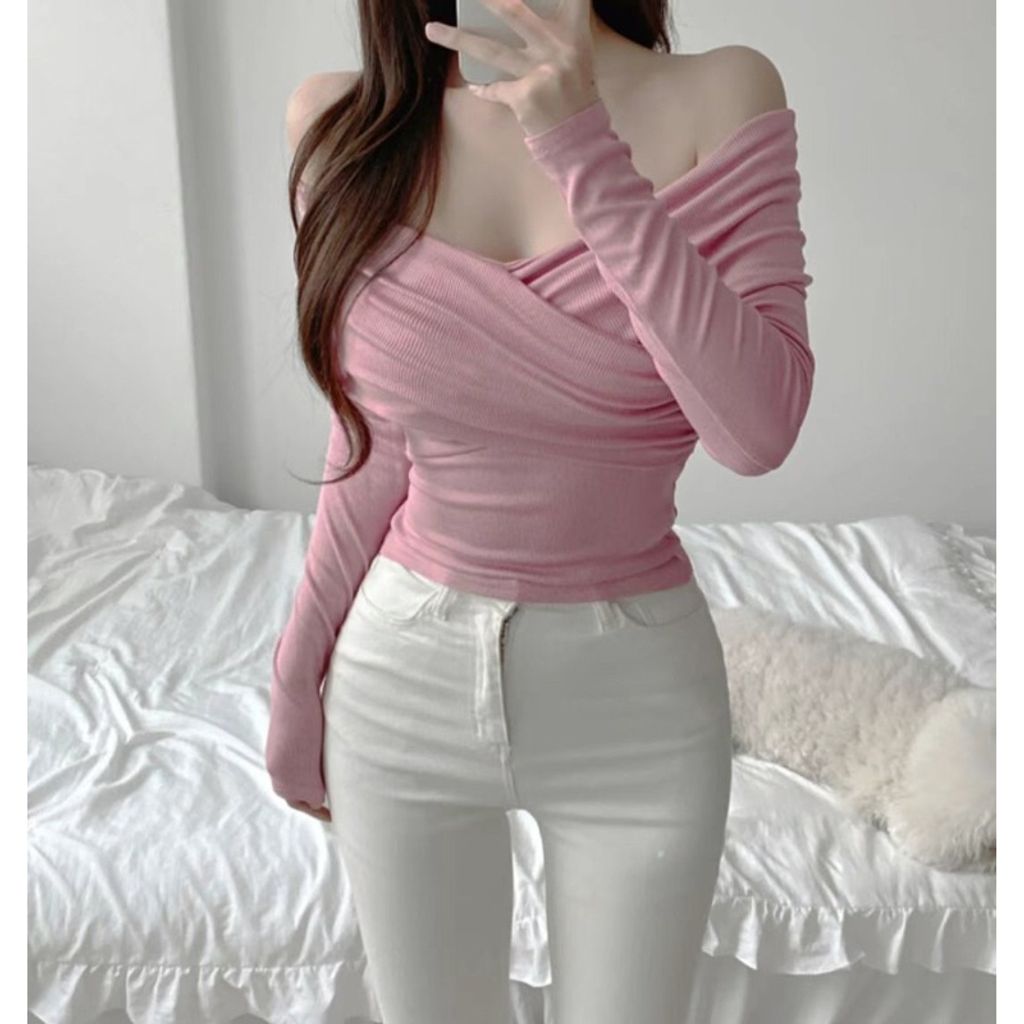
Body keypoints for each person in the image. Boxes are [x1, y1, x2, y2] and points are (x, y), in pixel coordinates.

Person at [267, 1, 814, 1021]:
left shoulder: (724, 94)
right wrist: (299, 675)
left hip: (637, 704)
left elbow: (757, 433)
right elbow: (368, 446)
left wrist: (581, 145)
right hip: (398, 682)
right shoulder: (342, 125)